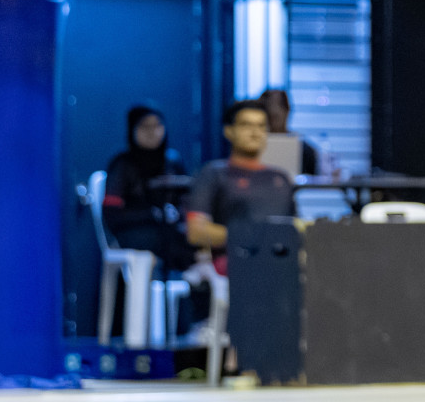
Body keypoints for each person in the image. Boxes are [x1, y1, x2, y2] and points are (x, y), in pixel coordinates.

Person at [187, 100, 296, 275]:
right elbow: (196, 231)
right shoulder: (214, 173)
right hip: (232, 264)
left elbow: (294, 228)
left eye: (261, 126)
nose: (255, 132)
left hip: (281, 265)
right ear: (229, 131)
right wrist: (249, 237)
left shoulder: (281, 178)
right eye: (246, 125)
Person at [103, 106, 193, 272]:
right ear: (133, 129)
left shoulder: (172, 161)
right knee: (166, 241)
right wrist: (152, 214)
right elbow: (112, 215)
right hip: (135, 233)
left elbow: (186, 200)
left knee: (195, 241)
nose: (153, 132)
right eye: (145, 126)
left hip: (171, 231)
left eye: (158, 126)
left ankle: (197, 293)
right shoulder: (122, 164)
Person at [259, 89, 321, 175]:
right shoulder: (254, 147)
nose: (272, 122)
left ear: (287, 111)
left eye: (275, 117)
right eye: (269, 116)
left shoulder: (305, 150)